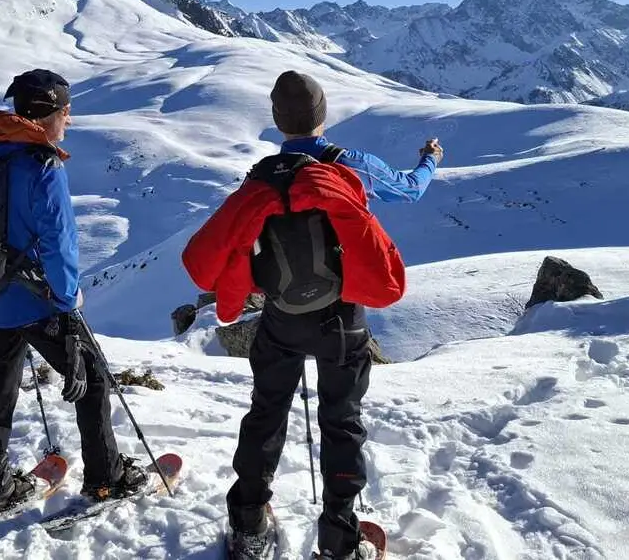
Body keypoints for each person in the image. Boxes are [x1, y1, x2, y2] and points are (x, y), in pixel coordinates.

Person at [182, 71, 443, 559]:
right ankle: (340, 538)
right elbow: (409, 190)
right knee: (342, 420)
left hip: (281, 316)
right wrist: (429, 161)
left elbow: (213, 252)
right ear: (324, 116)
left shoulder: (262, 176)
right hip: (342, 317)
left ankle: (249, 524)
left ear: (278, 121)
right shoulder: (349, 165)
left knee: (266, 412)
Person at [0, 69, 147, 519]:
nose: (68, 121)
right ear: (55, 113)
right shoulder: (42, 168)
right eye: (66, 113)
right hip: (35, 299)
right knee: (90, 376)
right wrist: (67, 303)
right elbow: (60, 244)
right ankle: (106, 477)